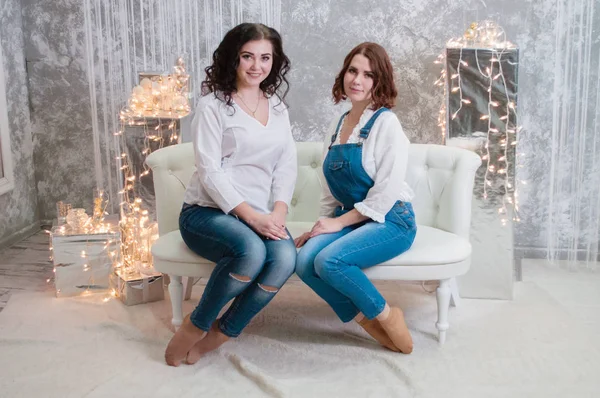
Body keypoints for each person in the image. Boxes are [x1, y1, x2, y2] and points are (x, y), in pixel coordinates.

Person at [164, 23, 297, 366]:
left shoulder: (279, 110)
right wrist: (252, 217)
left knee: (284, 258)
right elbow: (210, 171)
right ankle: (194, 327)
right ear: (233, 59)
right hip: (206, 213)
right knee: (251, 251)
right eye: (248, 56)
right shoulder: (213, 106)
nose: (257, 66)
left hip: (260, 215)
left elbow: (286, 166)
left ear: (275, 61)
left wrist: (278, 212)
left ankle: (222, 333)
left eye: (265, 58)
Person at [294, 42, 416, 354]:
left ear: (379, 82)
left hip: (392, 219)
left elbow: (385, 193)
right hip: (353, 219)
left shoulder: (386, 123)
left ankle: (388, 315)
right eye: (352, 70)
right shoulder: (336, 128)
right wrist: (321, 226)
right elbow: (329, 191)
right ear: (344, 73)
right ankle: (367, 320)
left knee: (329, 261)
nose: (357, 80)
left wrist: (339, 224)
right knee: (304, 260)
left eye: (368, 75)